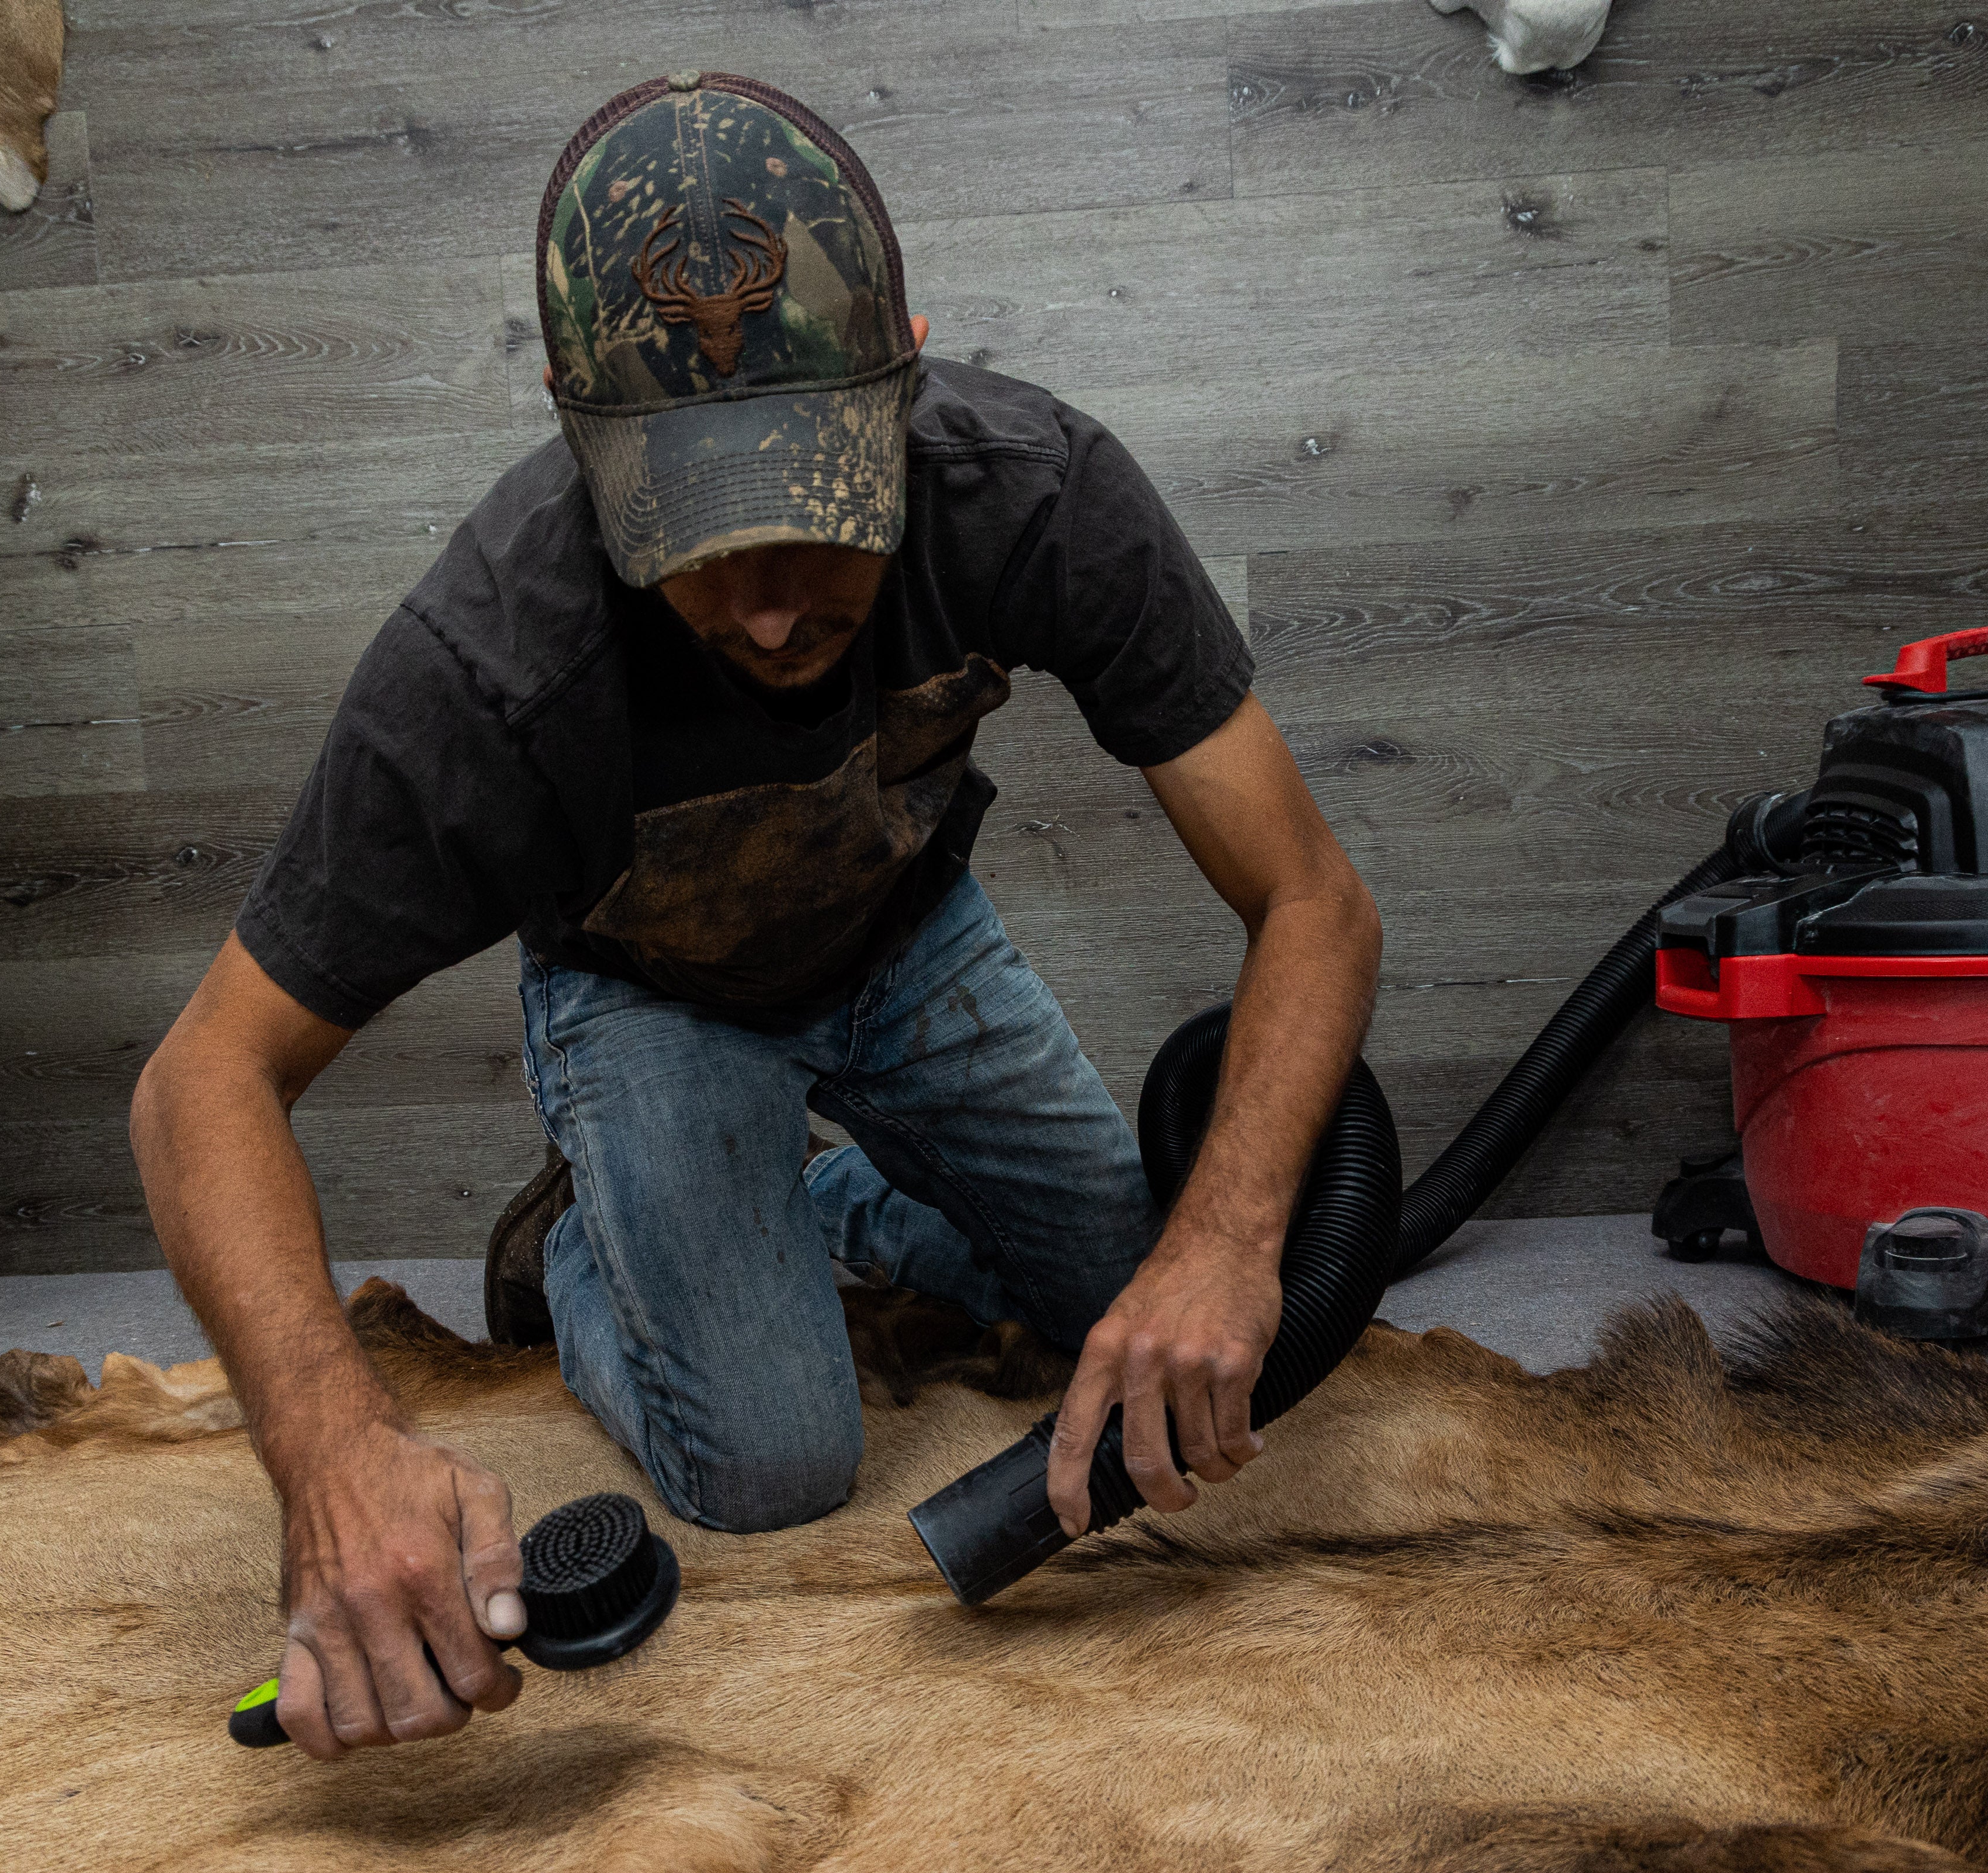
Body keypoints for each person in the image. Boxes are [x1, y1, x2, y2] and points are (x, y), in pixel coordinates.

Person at [131, 71, 1381, 1759]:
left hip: (910, 938)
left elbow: (1311, 898)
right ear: (588, 452)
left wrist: (1232, 1246)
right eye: (703, 543)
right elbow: (203, 1078)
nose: (777, 607)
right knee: (773, 1471)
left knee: (1143, 1326)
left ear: (907, 378)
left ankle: (830, 1204)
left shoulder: (1037, 492)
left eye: (816, 508)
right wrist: (337, 1456)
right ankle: (581, 1245)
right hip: (653, 997)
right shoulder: (490, 665)